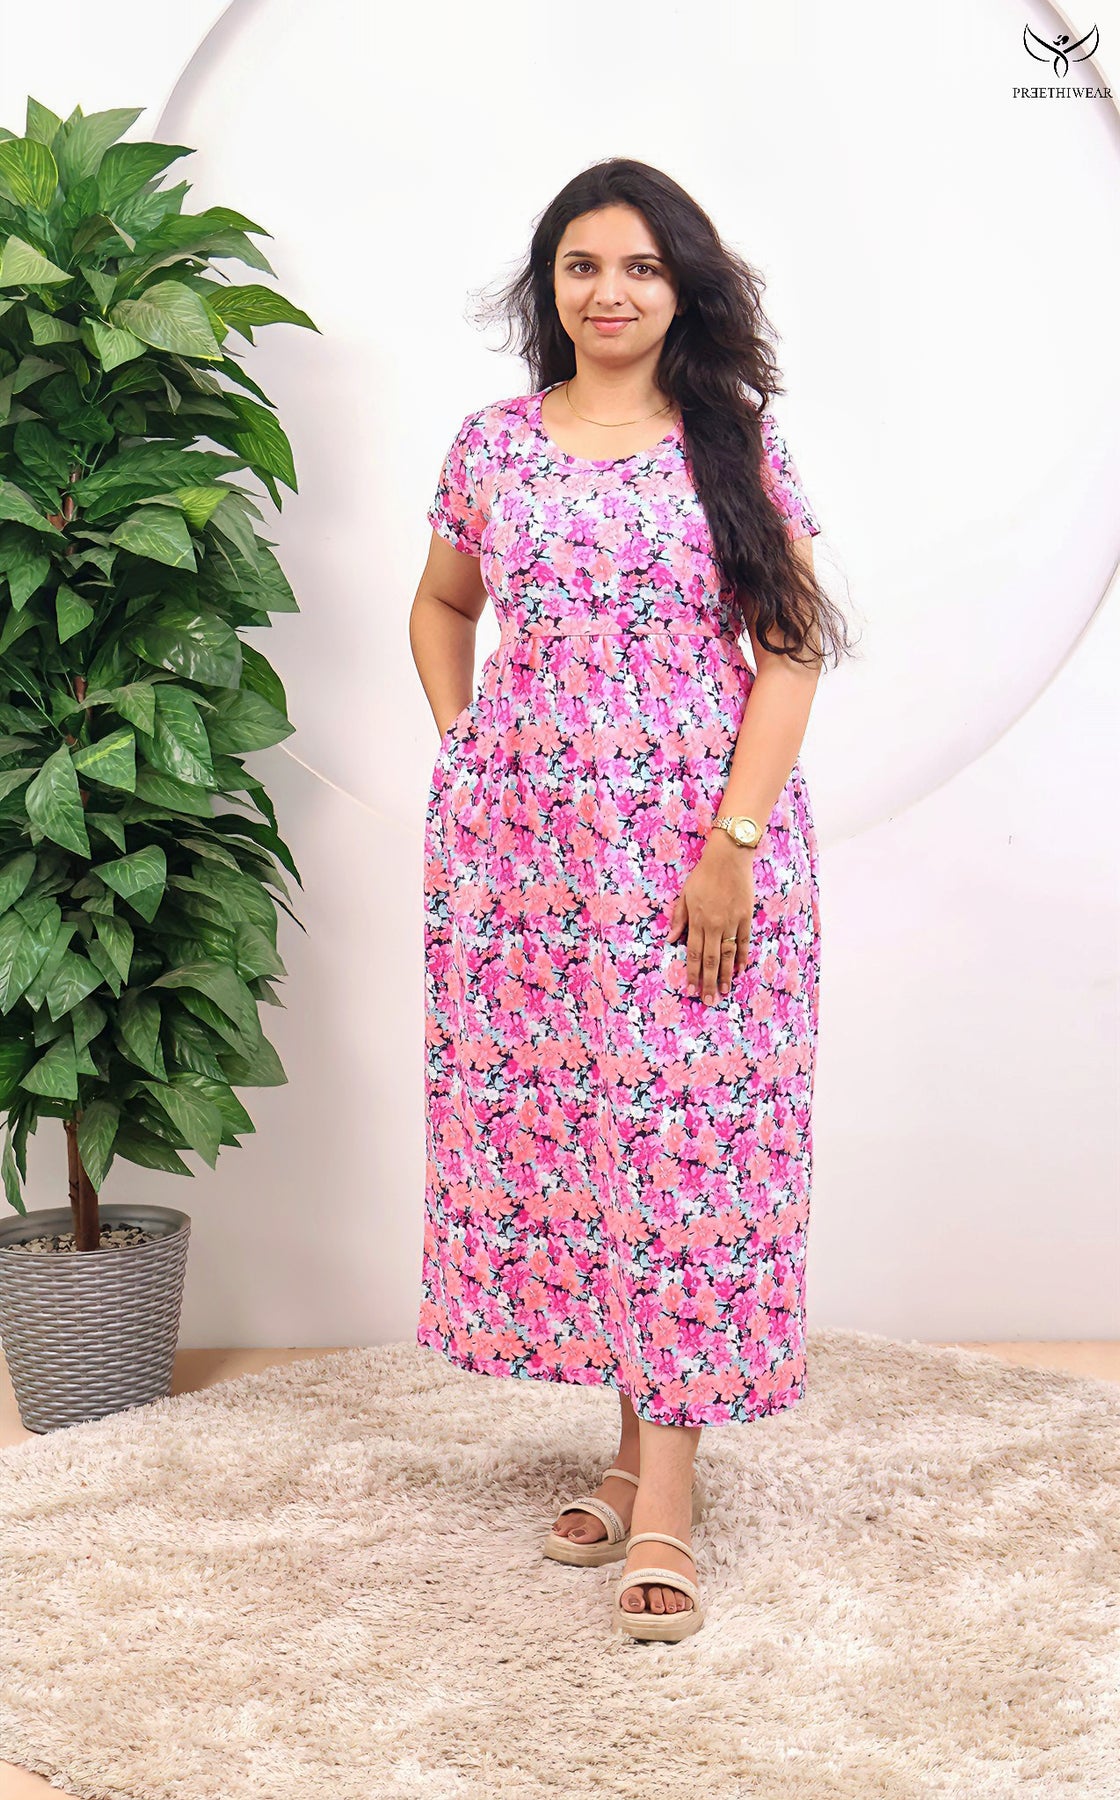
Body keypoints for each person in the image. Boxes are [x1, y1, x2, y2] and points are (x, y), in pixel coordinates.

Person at [410, 157, 853, 1643]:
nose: (612, 291)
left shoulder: (733, 439)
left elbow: (790, 647)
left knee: (688, 1151)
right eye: (584, 264)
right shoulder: (493, 444)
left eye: (644, 266)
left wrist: (733, 841)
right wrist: (470, 751)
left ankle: (665, 1496)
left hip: (696, 856)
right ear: (549, 284)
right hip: (527, 868)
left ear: (685, 286)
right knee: (603, 1152)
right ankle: (629, 1453)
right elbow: (442, 604)